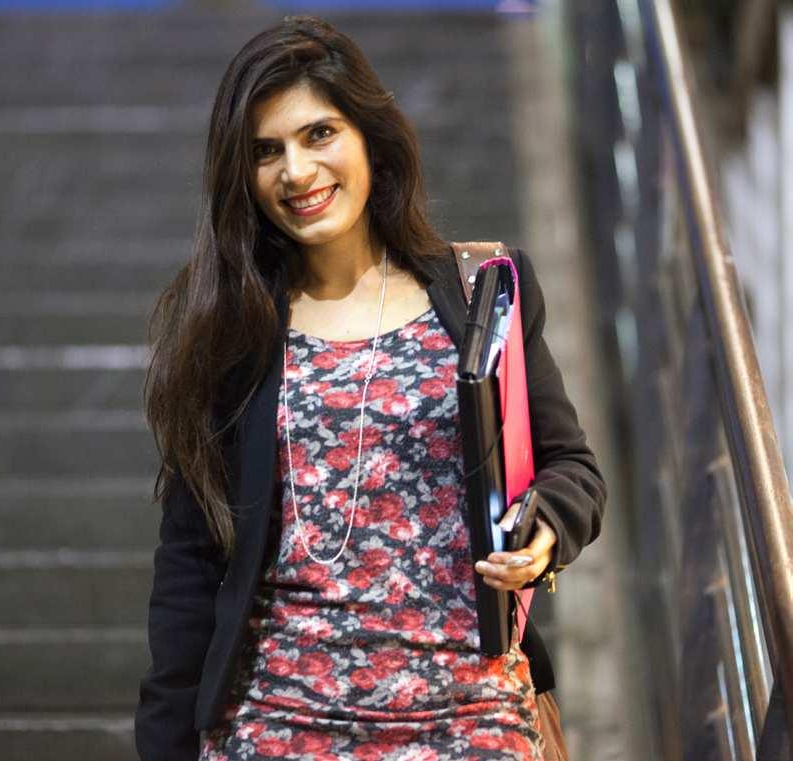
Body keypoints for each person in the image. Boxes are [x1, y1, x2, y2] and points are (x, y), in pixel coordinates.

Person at [135, 14, 606, 761]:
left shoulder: (481, 290)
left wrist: (543, 531)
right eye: (266, 151)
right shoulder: (229, 328)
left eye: (319, 134)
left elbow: (572, 468)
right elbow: (189, 564)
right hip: (277, 718)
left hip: (471, 711)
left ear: (368, 138)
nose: (296, 171)